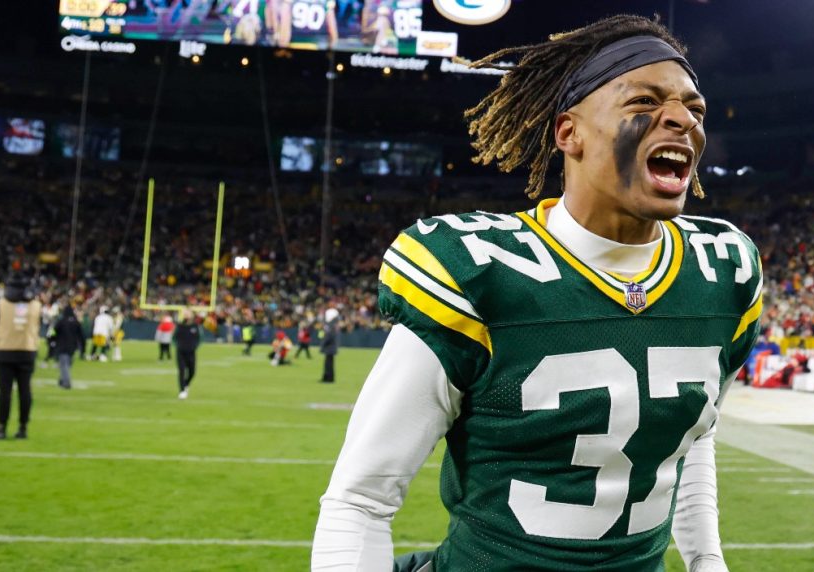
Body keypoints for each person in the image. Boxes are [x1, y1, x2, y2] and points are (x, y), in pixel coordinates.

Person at [313, 15, 762, 572]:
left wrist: (707, 560)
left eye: (695, 109)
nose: (682, 119)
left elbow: (692, 436)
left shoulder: (722, 270)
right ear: (569, 133)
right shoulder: (478, 270)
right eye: (644, 102)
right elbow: (360, 500)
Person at [0, 274, 42, 440]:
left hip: (5, 350)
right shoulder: (36, 305)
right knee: (25, 391)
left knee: (5, 392)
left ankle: (2, 427)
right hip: (27, 349)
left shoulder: (0, 303)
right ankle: (23, 427)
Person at [53, 305, 85, 390]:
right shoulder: (76, 322)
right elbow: (81, 336)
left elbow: (53, 331)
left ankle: (66, 383)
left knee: (64, 365)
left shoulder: (61, 321)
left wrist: (52, 340)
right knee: (67, 365)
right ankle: (62, 380)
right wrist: (82, 348)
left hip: (62, 346)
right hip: (72, 347)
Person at [174, 310, 201, 399]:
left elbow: (200, 338)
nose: (187, 315)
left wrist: (195, 346)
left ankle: (186, 384)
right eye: (185, 314)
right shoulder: (180, 326)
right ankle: (182, 391)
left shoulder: (195, 326)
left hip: (191, 352)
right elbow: (174, 338)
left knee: (192, 372)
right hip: (181, 352)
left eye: (188, 314)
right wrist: (178, 345)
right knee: (181, 371)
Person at [319, 308, 339, 383]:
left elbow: (328, 335)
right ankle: (329, 377)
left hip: (329, 346)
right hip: (331, 346)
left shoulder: (330, 325)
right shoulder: (333, 324)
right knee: (329, 362)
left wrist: (323, 344)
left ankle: (328, 378)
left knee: (328, 363)